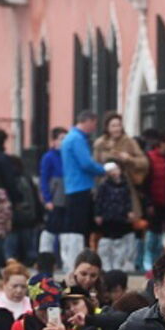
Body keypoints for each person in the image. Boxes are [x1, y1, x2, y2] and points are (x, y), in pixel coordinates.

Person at [61, 110, 106, 272]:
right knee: (81, 229)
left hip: (73, 187)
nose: (94, 127)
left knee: (76, 228)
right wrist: (104, 169)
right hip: (81, 187)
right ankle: (80, 262)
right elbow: (86, 163)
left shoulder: (70, 138)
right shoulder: (77, 139)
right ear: (87, 121)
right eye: (94, 123)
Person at [142, 130, 165, 271]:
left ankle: (160, 261)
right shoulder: (150, 158)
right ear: (163, 142)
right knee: (153, 232)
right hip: (154, 202)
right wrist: (148, 202)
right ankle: (149, 261)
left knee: (163, 233)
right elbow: (146, 182)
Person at [93, 111, 149, 195]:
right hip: (105, 189)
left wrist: (129, 159)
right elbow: (95, 166)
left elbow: (145, 163)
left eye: (119, 125)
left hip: (125, 189)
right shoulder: (100, 144)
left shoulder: (129, 142)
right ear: (107, 128)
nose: (117, 129)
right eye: (113, 126)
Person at [95, 162, 136, 272]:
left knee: (119, 242)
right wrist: (98, 214)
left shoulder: (124, 185)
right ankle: (106, 264)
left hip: (120, 218)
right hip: (107, 218)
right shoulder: (103, 185)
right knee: (107, 241)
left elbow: (127, 200)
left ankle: (118, 264)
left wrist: (129, 211)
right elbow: (99, 201)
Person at [5, 156, 41, 266]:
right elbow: (34, 199)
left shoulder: (10, 180)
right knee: (29, 250)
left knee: (12, 252)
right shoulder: (27, 178)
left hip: (15, 219)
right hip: (28, 219)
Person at [38, 127, 68, 258]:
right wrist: (47, 199)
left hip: (65, 197)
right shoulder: (48, 157)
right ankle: (46, 255)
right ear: (54, 141)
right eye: (62, 139)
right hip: (55, 196)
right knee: (51, 228)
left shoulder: (67, 156)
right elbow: (44, 178)